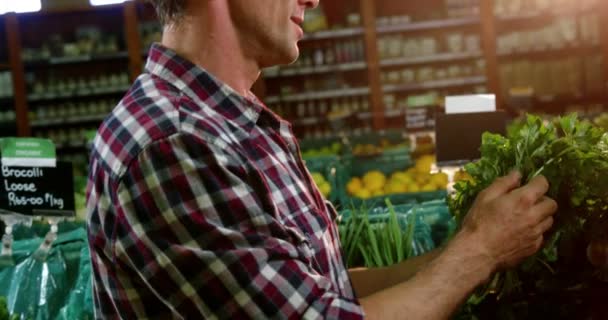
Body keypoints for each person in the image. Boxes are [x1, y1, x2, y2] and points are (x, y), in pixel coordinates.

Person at [85, 0, 558, 318]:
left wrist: (474, 243)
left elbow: (319, 292)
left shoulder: (227, 122)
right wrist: (480, 251)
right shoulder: (174, 144)